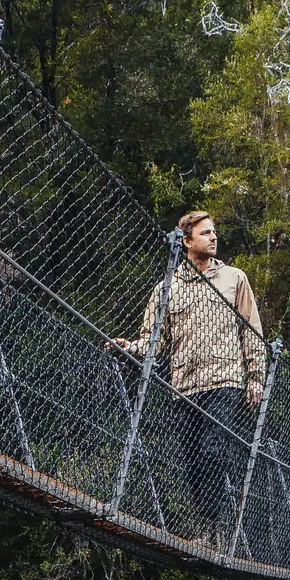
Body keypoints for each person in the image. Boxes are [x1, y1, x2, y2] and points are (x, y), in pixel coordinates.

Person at [113, 210, 265, 531]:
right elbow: (154, 342)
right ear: (186, 242)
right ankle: (208, 526)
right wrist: (128, 348)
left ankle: (220, 524)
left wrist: (255, 379)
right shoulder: (166, 289)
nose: (213, 237)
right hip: (185, 387)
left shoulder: (234, 279)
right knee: (192, 460)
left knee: (211, 449)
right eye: (205, 233)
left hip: (226, 380)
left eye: (214, 232)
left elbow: (251, 331)